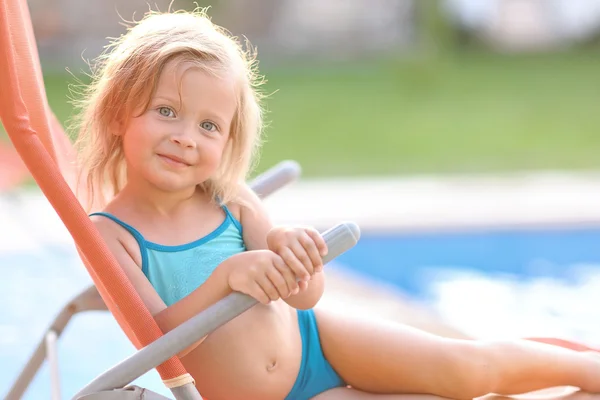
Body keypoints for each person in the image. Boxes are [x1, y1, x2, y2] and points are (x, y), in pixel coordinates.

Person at [72, 8, 600, 400]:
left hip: (318, 339)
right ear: (119, 112)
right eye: (167, 111)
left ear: (229, 140)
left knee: (464, 369)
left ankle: (585, 371)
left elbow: (305, 299)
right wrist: (225, 279)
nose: (187, 138)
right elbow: (156, 342)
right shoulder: (110, 232)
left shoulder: (228, 198)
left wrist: (291, 252)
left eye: (209, 125)